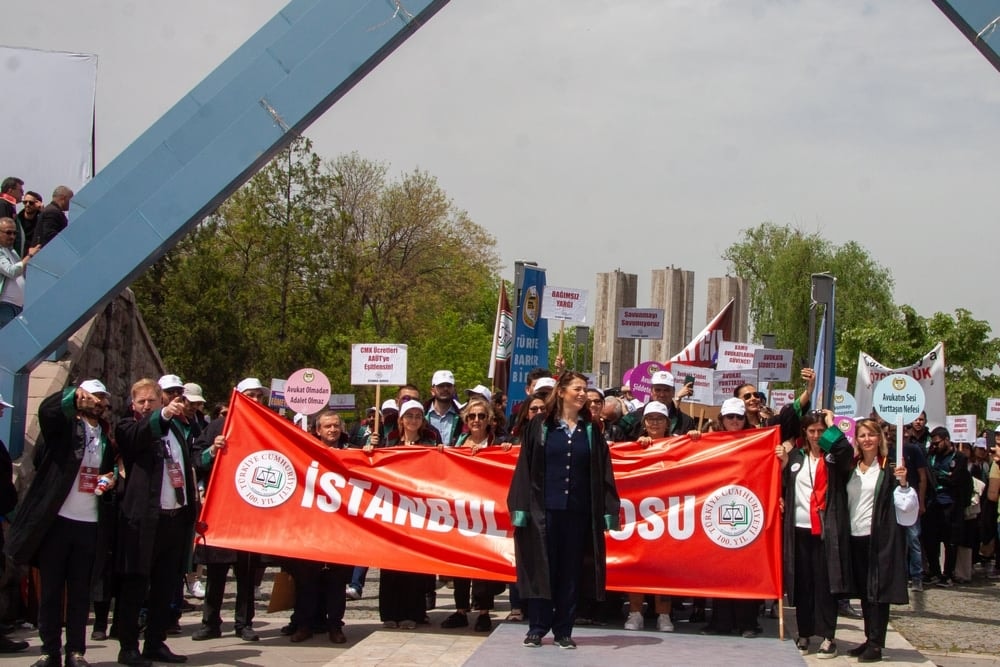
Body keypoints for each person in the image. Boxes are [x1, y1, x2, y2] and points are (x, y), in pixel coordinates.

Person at [5, 380, 116, 667]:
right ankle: (49, 651)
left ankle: (76, 651)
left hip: (89, 522)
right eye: (92, 397)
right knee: (52, 590)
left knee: (80, 592)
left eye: (101, 398)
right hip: (58, 521)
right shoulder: (66, 428)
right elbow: (47, 412)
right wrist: (71, 399)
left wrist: (110, 477)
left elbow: (110, 466)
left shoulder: (105, 435)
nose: (97, 402)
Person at [507, 371, 621, 649]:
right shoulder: (541, 425)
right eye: (577, 389)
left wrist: (608, 510)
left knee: (571, 570)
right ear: (562, 392)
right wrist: (521, 507)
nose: (583, 394)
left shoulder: (592, 430)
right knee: (542, 567)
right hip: (544, 510)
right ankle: (537, 626)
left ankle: (563, 629)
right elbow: (525, 467)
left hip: (578, 512)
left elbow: (604, 471)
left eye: (585, 389)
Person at [819, 413, 918, 663]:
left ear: (880, 437)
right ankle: (868, 637)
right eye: (862, 435)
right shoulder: (850, 466)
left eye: (871, 434)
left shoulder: (891, 467)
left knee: (878, 591)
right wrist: (831, 426)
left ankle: (876, 643)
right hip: (854, 536)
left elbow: (906, 506)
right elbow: (829, 445)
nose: (867, 439)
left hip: (880, 538)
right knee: (864, 591)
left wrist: (904, 483)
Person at [115, 377, 199, 666]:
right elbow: (141, 435)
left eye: (153, 400)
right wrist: (161, 415)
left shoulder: (175, 428)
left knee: (166, 584)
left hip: (174, 518)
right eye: (143, 402)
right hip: (144, 521)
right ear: (133, 404)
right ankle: (128, 647)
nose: (148, 405)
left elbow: (189, 462)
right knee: (136, 584)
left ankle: (155, 642)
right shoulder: (128, 426)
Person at [190, 378, 267, 643]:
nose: (256, 400)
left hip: (250, 512)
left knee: (246, 573)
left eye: (259, 395)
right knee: (216, 572)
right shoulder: (217, 427)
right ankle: (210, 621)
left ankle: (244, 623)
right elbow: (197, 459)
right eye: (250, 395)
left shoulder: (267, 430)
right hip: (222, 511)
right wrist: (213, 449)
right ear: (238, 397)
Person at [368, 399, 441, 629]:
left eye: (418, 416)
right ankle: (390, 613)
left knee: (414, 565)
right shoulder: (389, 443)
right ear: (401, 420)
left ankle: (413, 613)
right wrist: (370, 450)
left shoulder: (430, 442)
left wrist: (441, 454)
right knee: (389, 564)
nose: (413, 420)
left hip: (418, 511)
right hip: (392, 510)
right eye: (409, 416)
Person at [286, 409, 353, 644]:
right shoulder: (306, 453)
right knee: (306, 580)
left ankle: (335, 626)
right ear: (318, 430)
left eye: (336, 425)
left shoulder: (352, 453)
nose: (332, 430)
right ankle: (305, 625)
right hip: (311, 527)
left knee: (337, 582)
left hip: (341, 529)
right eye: (327, 426)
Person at [776, 411, 838, 658]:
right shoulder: (795, 457)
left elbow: (845, 449)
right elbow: (781, 483)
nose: (816, 436)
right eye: (811, 431)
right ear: (804, 433)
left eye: (821, 431)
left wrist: (832, 425)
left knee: (825, 584)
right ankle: (804, 632)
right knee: (802, 584)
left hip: (824, 530)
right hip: (798, 529)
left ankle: (828, 636)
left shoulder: (833, 458)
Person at [701, 397, 763, 638]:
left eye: (739, 417)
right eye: (730, 417)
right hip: (717, 510)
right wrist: (696, 439)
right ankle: (720, 621)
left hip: (747, 510)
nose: (735, 421)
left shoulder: (758, 440)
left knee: (745, 570)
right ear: (722, 419)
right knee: (721, 569)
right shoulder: (711, 441)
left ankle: (748, 622)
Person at [441, 398, 504, 633]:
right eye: (471, 416)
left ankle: (484, 612)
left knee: (483, 564)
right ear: (466, 421)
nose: (476, 420)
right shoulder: (458, 444)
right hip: (461, 511)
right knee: (461, 563)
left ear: (489, 420)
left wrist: (499, 453)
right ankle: (460, 610)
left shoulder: (499, 445)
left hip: (488, 512)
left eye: (481, 416)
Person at [623, 401, 675, 633]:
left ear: (668, 422)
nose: (655, 422)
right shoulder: (634, 446)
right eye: (650, 419)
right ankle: (635, 613)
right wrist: (639, 447)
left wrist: (695, 438)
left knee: (663, 568)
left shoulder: (678, 445)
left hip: (670, 515)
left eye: (659, 419)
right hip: (639, 515)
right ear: (643, 423)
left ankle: (664, 615)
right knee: (637, 565)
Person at [922, 427, 972, 587]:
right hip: (933, 504)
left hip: (951, 504)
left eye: (937, 443)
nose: (935, 446)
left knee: (950, 541)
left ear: (947, 440)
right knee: (930, 540)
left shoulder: (959, 457)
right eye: (933, 444)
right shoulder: (931, 456)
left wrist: (940, 475)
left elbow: (955, 479)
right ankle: (934, 572)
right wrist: (942, 474)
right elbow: (928, 475)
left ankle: (947, 573)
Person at [0, 217, 40, 326]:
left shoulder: (12, 252)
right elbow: (12, 271)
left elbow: (21, 271)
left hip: (17, 307)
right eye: (8, 233)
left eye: (14, 233)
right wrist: (29, 255)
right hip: (4, 306)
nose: (12, 236)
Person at [426, 370, 461, 445]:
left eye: (449, 385)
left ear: (454, 389)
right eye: (441, 386)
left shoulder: (463, 417)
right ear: (432, 390)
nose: (445, 389)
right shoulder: (421, 415)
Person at [16, 191, 43, 256]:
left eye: (31, 203)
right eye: (25, 202)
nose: (27, 205)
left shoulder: (40, 220)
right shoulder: (17, 220)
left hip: (33, 256)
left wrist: (42, 211)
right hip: (17, 255)